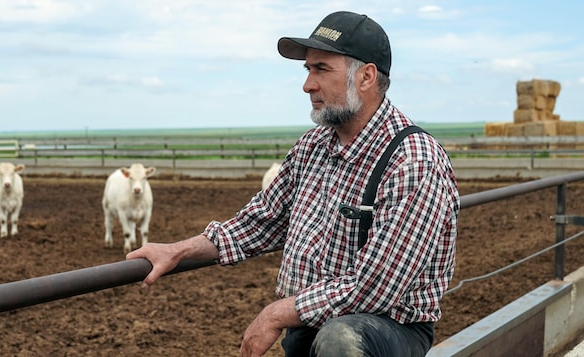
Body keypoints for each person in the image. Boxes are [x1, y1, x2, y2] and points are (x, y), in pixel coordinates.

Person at [126, 10, 460, 357]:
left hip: (387, 330)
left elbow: (376, 286)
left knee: (340, 340)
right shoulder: (313, 147)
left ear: (366, 76)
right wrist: (178, 251)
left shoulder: (413, 160)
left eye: (321, 69)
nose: (307, 85)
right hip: (311, 323)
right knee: (328, 338)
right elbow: (261, 221)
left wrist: (277, 313)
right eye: (307, 70)